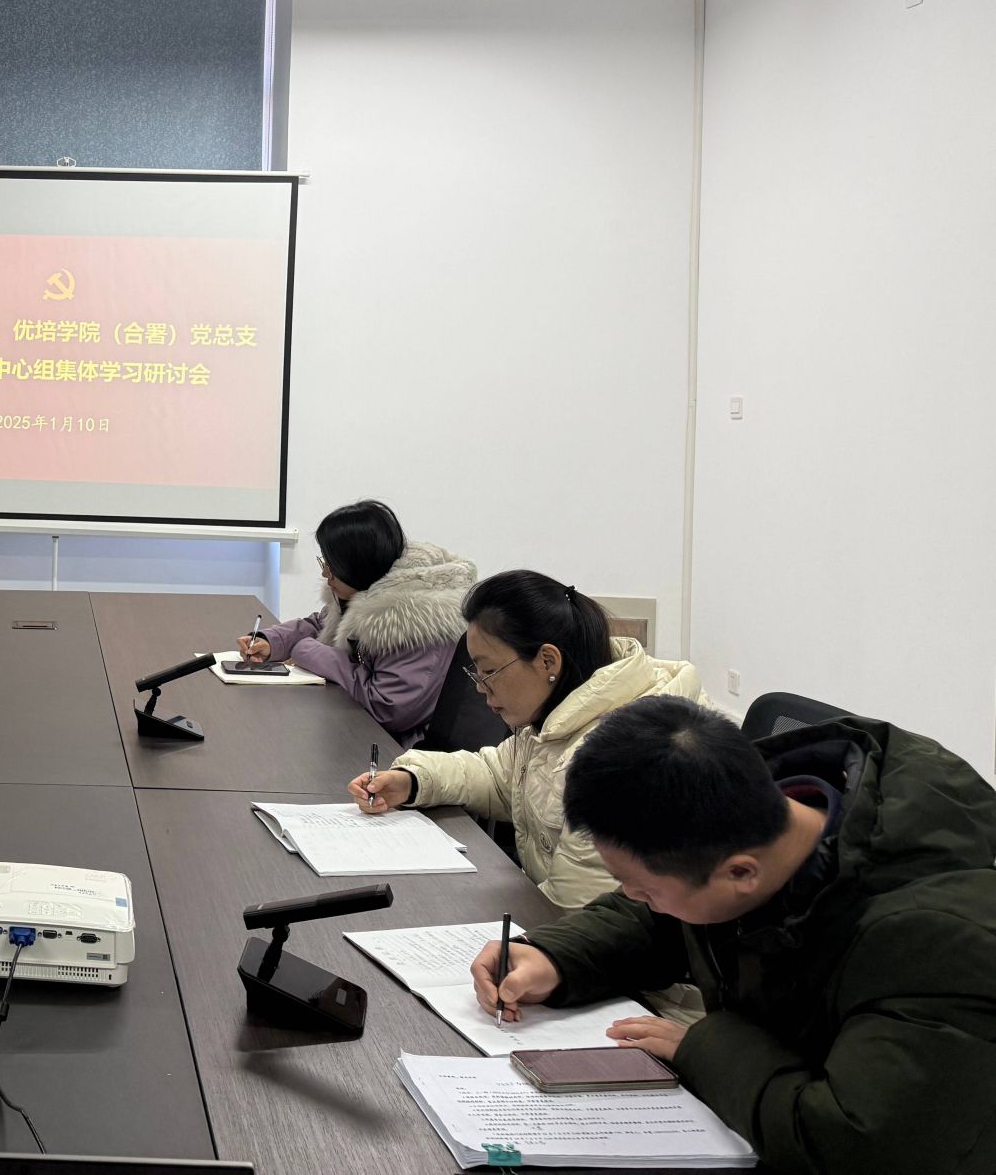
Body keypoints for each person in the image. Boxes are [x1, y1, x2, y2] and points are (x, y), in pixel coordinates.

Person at [470, 697, 996, 1175]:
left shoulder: (939, 947)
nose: (632, 897)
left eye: (644, 888)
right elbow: (670, 916)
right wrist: (555, 957)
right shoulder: (747, 811)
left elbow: (856, 1144)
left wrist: (706, 1048)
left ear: (741, 873)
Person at [347, 570, 711, 908]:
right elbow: (496, 775)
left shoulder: (623, 760)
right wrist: (412, 781)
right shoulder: (555, 718)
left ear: (548, 661)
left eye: (489, 671)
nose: (480, 687)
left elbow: (576, 915)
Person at [240, 500, 475, 748]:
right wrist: (272, 641)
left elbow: (387, 708)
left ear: (356, 565)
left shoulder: (417, 621)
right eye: (324, 562)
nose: (325, 574)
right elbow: (323, 623)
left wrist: (305, 651)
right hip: (360, 733)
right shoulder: (369, 584)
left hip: (402, 752)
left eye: (330, 566)